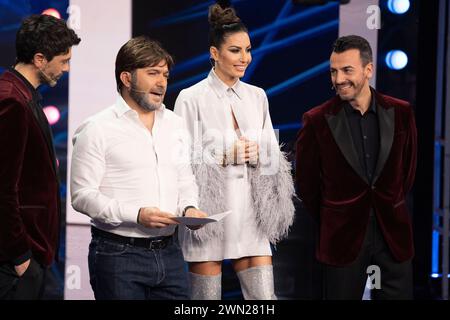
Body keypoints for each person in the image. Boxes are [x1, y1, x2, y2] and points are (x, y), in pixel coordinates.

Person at [174, 1, 295, 300]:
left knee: (264, 302)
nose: (245, 58)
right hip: (209, 216)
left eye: (248, 50)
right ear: (214, 53)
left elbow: (272, 159)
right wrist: (223, 156)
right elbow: (178, 160)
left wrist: (263, 156)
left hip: (251, 216)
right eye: (235, 50)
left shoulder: (257, 97)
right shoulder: (190, 98)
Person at [70, 36, 207, 300]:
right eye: (152, 73)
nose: (162, 82)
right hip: (118, 255)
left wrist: (189, 208)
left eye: (165, 74)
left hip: (170, 253)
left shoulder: (176, 124)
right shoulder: (97, 128)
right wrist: (137, 214)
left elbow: (184, 178)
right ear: (126, 78)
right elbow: (82, 195)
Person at [295, 35, 417, 300]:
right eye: (333, 71)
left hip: (392, 236)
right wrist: (336, 214)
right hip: (342, 239)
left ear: (368, 70)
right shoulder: (317, 121)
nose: (339, 79)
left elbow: (407, 173)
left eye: (347, 70)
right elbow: (306, 185)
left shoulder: (401, 113)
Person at [0, 14, 80, 300]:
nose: (67, 68)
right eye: (63, 60)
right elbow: (3, 188)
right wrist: (21, 256)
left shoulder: (22, 94)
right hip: (14, 261)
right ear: (39, 59)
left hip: (27, 255)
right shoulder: (11, 99)